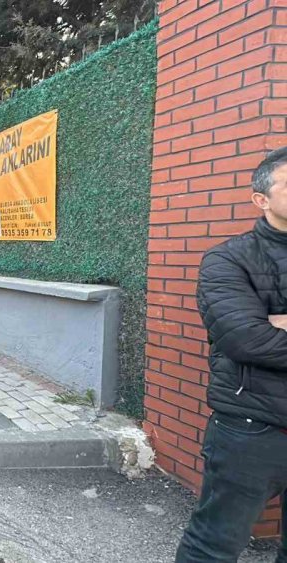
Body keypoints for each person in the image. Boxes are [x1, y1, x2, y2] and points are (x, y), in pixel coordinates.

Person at [177, 147, 287, 562]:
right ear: (261, 200)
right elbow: (247, 339)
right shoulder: (228, 260)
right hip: (253, 430)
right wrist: (266, 325)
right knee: (215, 545)